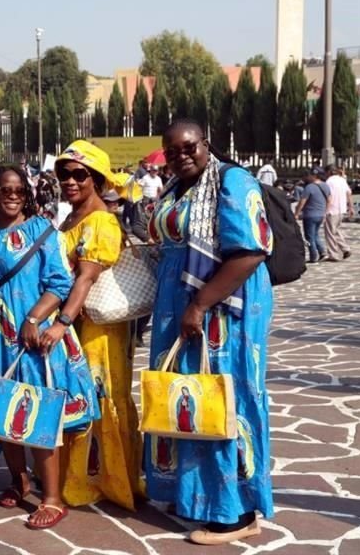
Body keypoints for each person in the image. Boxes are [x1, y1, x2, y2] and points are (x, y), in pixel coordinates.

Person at [145, 120, 274, 545]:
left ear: (206, 144)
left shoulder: (232, 181)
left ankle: (234, 511)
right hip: (181, 307)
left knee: (225, 400)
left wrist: (199, 303)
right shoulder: (176, 188)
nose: (181, 155)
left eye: (188, 147)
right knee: (187, 398)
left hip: (221, 309)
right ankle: (193, 495)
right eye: (172, 150)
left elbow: (251, 251)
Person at [0, 165, 97, 531]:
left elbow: (60, 283)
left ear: (27, 193)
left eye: (18, 189)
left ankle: (52, 498)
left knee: (38, 412)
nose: (12, 195)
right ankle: (19, 480)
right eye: (4, 189)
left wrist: (34, 318)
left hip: (31, 338)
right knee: (2, 411)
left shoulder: (41, 230)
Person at [52, 140, 144, 512]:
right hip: (78, 324)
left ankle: (107, 479)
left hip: (97, 329)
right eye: (64, 174)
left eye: (80, 175)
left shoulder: (101, 221)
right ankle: (78, 476)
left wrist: (62, 321)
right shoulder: (71, 217)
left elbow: (85, 278)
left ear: (98, 180)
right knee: (80, 395)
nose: (70, 182)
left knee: (100, 396)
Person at [294, 168, 330, 263]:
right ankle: (322, 252)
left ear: (313, 176)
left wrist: (297, 213)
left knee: (309, 237)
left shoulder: (309, 187)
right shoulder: (325, 186)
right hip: (320, 214)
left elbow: (302, 201)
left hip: (310, 215)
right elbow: (329, 200)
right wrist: (325, 212)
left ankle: (313, 256)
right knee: (315, 235)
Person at [324, 166, 353, 261]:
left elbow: (329, 196)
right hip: (342, 209)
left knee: (330, 233)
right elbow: (349, 193)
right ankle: (345, 248)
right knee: (336, 230)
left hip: (332, 209)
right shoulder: (342, 180)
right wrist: (351, 207)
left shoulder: (329, 182)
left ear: (328, 172)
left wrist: (325, 210)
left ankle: (333, 254)